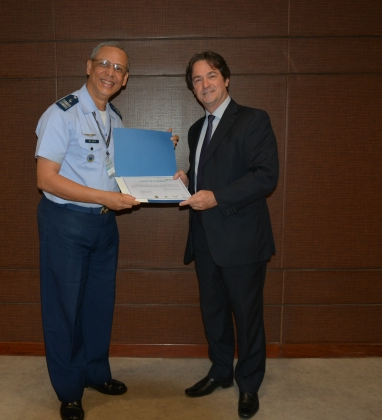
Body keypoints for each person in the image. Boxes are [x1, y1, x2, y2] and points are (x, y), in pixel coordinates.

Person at [36, 41, 177, 420]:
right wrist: (105, 197)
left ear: (125, 79)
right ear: (89, 66)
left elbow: (122, 174)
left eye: (119, 69)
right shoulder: (62, 113)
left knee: (99, 305)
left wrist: (161, 151)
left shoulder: (115, 119)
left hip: (103, 224)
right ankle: (69, 389)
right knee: (64, 308)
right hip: (65, 222)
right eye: (104, 64)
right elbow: (46, 179)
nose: (110, 73)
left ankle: (95, 372)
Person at [174, 51, 279, 419]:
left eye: (211, 75)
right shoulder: (195, 130)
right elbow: (205, 174)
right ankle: (220, 371)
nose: (205, 84)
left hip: (242, 239)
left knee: (247, 316)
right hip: (204, 239)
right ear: (192, 89)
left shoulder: (253, 120)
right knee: (214, 312)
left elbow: (265, 176)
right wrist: (187, 179)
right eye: (197, 79)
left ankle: (248, 383)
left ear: (226, 79)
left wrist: (216, 197)